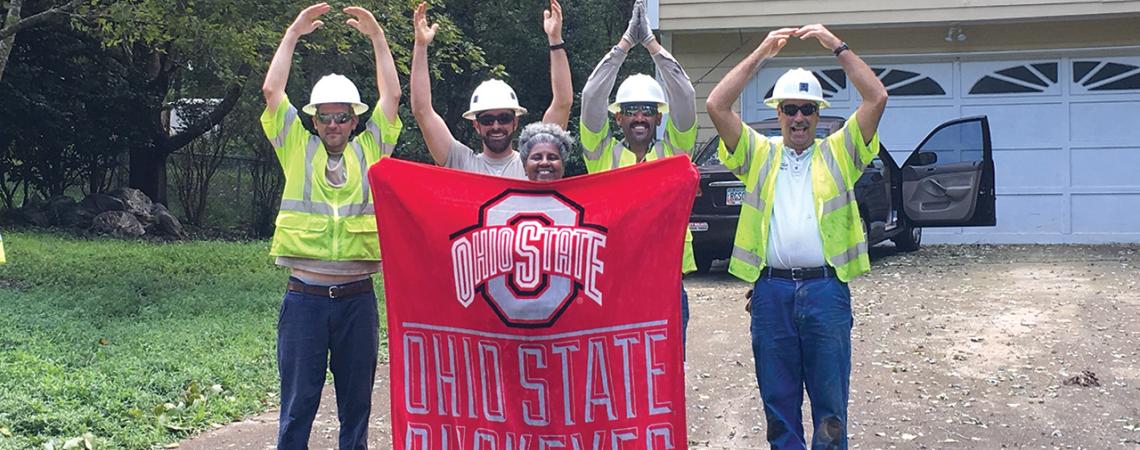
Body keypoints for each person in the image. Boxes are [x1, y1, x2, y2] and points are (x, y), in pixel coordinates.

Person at [705, 24, 888, 449]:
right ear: (779, 113)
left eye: (808, 109)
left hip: (826, 290)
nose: (799, 117)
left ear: (818, 114)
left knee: (830, 406)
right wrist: (762, 54)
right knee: (778, 403)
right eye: (790, 108)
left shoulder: (840, 153)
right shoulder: (759, 154)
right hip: (770, 293)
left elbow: (877, 97)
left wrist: (834, 45)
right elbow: (716, 104)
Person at [260, 3, 402, 448]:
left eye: (342, 117)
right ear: (313, 120)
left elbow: (393, 98)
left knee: (356, 406)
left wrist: (379, 38)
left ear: (355, 120)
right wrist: (293, 34)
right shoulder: (296, 148)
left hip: (357, 301)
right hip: (305, 299)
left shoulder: (371, 151)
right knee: (298, 404)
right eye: (325, 116)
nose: (334, 124)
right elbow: (271, 91)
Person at [578, 0, 697, 350]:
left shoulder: (674, 155)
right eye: (631, 111)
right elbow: (591, 96)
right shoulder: (602, 156)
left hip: (666, 286)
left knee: (665, 376)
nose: (640, 117)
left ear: (659, 117)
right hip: (613, 287)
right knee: (614, 375)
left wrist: (653, 45)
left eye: (647, 110)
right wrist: (624, 45)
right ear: (619, 118)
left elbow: (686, 96)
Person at [410, 0, 571, 179]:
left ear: (515, 122)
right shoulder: (461, 162)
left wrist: (555, 40)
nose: (496, 126)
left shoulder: (533, 163)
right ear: (476, 125)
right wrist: (421, 46)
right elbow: (422, 110)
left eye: (504, 118)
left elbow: (562, 103)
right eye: (487, 120)